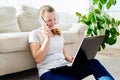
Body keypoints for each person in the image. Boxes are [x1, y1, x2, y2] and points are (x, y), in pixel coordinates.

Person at [29, 5, 114, 80]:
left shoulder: (58, 32)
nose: (53, 23)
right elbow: (38, 59)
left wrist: (69, 58)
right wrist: (47, 39)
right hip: (48, 72)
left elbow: (62, 51)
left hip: (63, 67)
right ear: (41, 20)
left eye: (54, 19)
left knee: (94, 63)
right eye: (49, 20)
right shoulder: (35, 34)